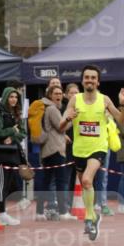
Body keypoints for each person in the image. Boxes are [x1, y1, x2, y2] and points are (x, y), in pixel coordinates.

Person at [60, 64, 124, 241]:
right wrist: (68, 118)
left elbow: (123, 121)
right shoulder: (75, 100)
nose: (89, 80)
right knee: (86, 185)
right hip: (79, 150)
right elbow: (61, 127)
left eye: (93, 78)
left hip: (98, 148)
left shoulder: (104, 100)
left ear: (98, 82)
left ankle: (89, 217)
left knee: (86, 180)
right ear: (83, 80)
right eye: (87, 77)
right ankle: (92, 216)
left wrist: (123, 104)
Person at [0, 86, 27, 226]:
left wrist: (13, 137)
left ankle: (2, 213)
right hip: (0, 155)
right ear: (5, 97)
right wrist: (12, 130)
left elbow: (23, 133)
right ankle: (1, 213)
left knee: (7, 183)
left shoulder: (17, 114)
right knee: (1, 184)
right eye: (11, 97)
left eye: (16, 97)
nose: (14, 99)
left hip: (12, 154)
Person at [38, 85, 75, 220]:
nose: (59, 96)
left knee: (46, 181)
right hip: (55, 150)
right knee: (61, 181)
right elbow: (61, 127)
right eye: (56, 94)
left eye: (60, 93)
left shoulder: (49, 108)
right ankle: (63, 212)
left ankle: (40, 212)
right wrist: (71, 118)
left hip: (49, 150)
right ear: (50, 95)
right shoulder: (52, 109)